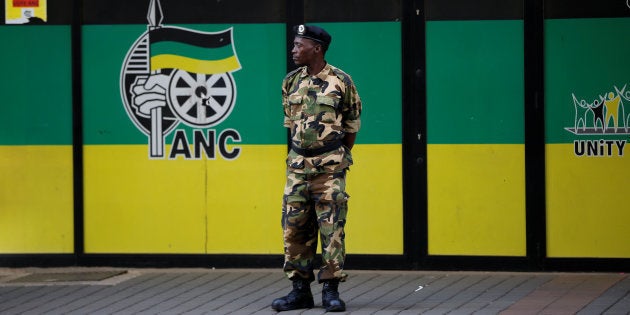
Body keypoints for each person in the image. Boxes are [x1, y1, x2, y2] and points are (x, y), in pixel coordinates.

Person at [271, 24, 362, 312]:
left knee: (331, 229)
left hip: (329, 169)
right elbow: (290, 125)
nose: (293, 49)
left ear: (317, 49)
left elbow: (351, 125)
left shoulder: (341, 81)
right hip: (297, 168)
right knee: (294, 229)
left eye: (299, 45)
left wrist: (334, 156)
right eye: (294, 45)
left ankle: (330, 292)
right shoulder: (290, 82)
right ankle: (299, 292)